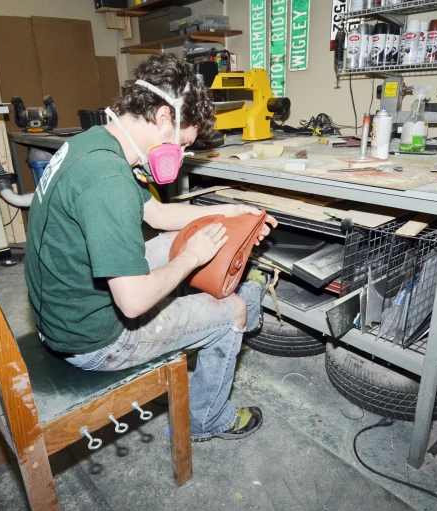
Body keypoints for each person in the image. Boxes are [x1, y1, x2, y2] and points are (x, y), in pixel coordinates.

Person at [24, 54, 277, 442]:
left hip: (61, 311)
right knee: (234, 309)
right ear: (163, 117)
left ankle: (219, 313)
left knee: (171, 242)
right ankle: (209, 419)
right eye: (183, 142)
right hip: (91, 339)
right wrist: (193, 257)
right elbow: (133, 303)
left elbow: (156, 215)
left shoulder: (97, 145)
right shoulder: (108, 180)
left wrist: (230, 213)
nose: (179, 154)